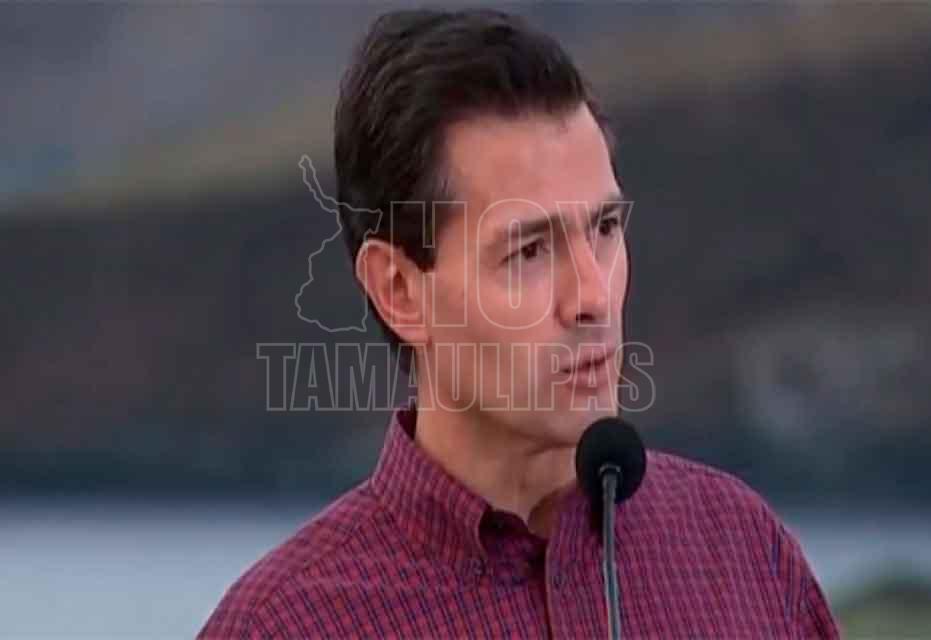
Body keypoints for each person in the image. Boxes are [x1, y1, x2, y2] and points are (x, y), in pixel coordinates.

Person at [199, 9, 839, 639]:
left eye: (605, 227)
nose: (593, 297)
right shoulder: (282, 626)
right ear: (399, 292)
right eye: (530, 251)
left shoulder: (742, 553)